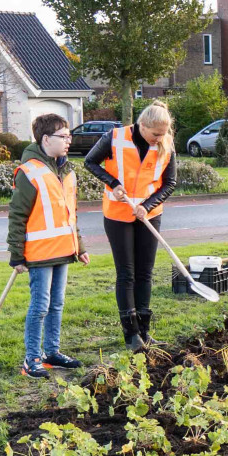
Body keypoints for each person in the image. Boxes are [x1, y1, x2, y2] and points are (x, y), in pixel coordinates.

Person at [83, 100, 177, 350]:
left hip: (149, 214)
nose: (160, 138)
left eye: (164, 133)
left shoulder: (166, 144)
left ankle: (145, 332)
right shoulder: (114, 137)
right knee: (127, 272)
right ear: (142, 125)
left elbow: (170, 183)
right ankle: (131, 334)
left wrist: (147, 205)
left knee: (145, 272)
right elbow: (90, 162)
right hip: (118, 213)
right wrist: (113, 183)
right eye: (155, 134)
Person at [8, 114, 91, 376]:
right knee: (40, 306)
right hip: (40, 254)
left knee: (57, 304)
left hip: (64, 251)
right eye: (63, 136)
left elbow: (70, 213)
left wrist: (81, 246)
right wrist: (16, 255)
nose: (69, 141)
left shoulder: (66, 170)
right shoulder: (29, 172)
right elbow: (17, 216)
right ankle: (32, 358)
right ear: (46, 139)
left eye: (69, 136)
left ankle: (52, 353)